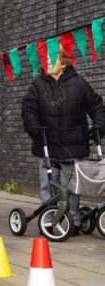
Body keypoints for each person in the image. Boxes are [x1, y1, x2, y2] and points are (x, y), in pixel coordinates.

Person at [21, 46, 105, 232]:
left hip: (74, 146)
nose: (48, 62)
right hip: (46, 144)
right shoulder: (38, 84)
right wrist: (32, 126)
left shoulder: (79, 83)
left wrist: (99, 126)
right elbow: (29, 108)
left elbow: (97, 106)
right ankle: (50, 220)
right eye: (46, 59)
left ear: (64, 61)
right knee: (48, 185)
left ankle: (72, 221)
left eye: (52, 59)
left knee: (72, 187)